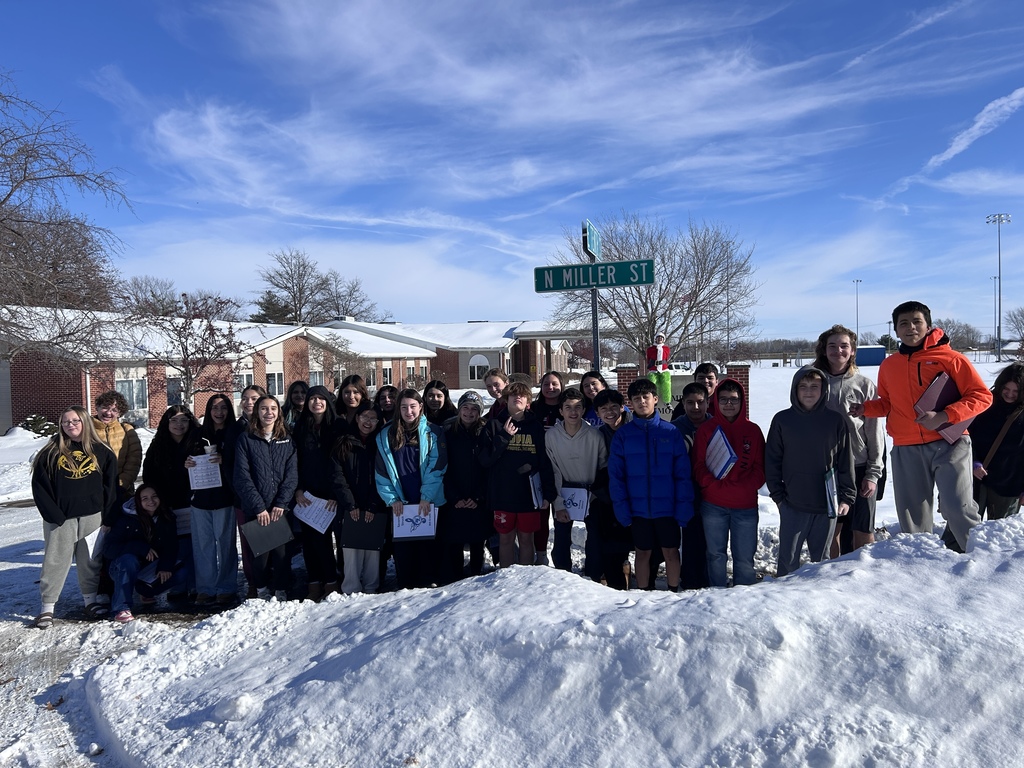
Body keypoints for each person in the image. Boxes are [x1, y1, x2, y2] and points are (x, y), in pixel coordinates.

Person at [850, 301, 993, 552]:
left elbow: (982, 396)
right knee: (912, 514)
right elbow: (887, 403)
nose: (911, 327)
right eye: (903, 323)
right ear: (895, 330)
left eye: (917, 321)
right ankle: (919, 569)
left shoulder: (951, 359)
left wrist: (945, 415)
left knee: (957, 507)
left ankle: (979, 559)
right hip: (907, 447)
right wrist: (866, 409)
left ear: (928, 326)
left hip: (951, 443)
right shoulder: (889, 365)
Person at [31, 406, 119, 628]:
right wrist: (54, 516)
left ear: (85, 422)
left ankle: (90, 601)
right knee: (55, 560)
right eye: (66, 422)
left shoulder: (102, 451)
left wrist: (107, 516)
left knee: (90, 560)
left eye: (75, 421)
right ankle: (47, 608)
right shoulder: (50, 452)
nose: (70, 425)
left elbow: (110, 487)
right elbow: (40, 487)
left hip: (92, 516)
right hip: (61, 518)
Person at [768, 366, 856, 577]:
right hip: (793, 504)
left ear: (823, 390)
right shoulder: (783, 420)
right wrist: (779, 497)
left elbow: (845, 462)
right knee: (788, 561)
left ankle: (817, 603)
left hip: (826, 504)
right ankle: (781, 601)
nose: (808, 392)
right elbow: (772, 461)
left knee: (822, 562)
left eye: (814, 387)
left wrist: (846, 497)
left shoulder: (835, 421)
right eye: (803, 387)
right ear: (795, 390)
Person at [609, 378, 694, 591]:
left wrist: (684, 506)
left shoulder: (670, 432)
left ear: (655, 399)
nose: (641, 402)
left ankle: (673, 590)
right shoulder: (623, 436)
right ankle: (643, 593)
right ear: (630, 403)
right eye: (636, 399)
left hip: (667, 508)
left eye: (646, 397)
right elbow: (616, 477)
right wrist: (622, 509)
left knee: (671, 551)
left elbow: (682, 474)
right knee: (642, 552)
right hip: (639, 510)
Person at [813, 325, 884, 556]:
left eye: (844, 346)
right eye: (832, 346)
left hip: (859, 466)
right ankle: (834, 576)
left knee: (862, 529)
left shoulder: (864, 385)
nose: (838, 351)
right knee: (832, 530)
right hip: (828, 468)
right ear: (824, 350)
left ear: (853, 350)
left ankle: (864, 577)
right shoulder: (813, 382)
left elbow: (875, 431)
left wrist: (873, 473)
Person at [693, 379, 765, 587]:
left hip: (745, 506)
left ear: (742, 401)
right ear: (716, 401)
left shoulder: (753, 431)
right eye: (723, 399)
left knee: (744, 559)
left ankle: (744, 598)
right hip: (714, 505)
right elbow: (698, 466)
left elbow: (760, 470)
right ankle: (717, 595)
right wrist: (715, 486)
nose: (729, 404)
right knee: (715, 555)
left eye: (734, 400)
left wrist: (743, 487)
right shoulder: (707, 429)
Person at [374, 389, 447, 589]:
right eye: (404, 407)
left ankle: (427, 584)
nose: (409, 411)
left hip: (427, 501)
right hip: (401, 503)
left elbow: (438, 466)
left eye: (413, 406)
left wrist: (426, 497)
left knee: (427, 548)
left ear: (420, 407)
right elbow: (381, 472)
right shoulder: (385, 434)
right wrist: (392, 499)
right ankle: (405, 586)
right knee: (404, 551)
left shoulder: (433, 432)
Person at [479, 381, 555, 568]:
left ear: (528, 400)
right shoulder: (494, 425)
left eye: (522, 395)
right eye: (513, 395)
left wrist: (548, 492)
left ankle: (524, 579)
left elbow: (544, 461)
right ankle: (507, 576)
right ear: (506, 400)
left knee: (526, 538)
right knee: (506, 539)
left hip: (529, 495)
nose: (517, 397)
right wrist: (503, 437)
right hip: (503, 494)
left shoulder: (535, 427)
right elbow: (485, 460)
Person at [234, 395, 298, 600]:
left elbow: (292, 475)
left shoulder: (287, 438)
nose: (268, 412)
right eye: (264, 408)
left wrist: (281, 503)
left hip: (280, 508)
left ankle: (281, 589)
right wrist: (259, 508)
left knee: (281, 554)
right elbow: (242, 477)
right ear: (257, 411)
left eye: (273, 408)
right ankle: (261, 589)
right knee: (261, 555)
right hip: (257, 508)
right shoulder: (246, 439)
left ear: (278, 412)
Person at [545, 387, 608, 576]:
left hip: (591, 496)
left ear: (583, 410)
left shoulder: (595, 435)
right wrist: (558, 502)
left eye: (578, 407)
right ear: (561, 411)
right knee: (562, 539)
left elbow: (603, 466)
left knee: (595, 539)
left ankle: (593, 576)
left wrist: (595, 493)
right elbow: (552, 471)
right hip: (563, 495)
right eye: (568, 407)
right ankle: (563, 576)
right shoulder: (551, 437)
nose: (573, 412)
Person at [185, 394, 239, 608]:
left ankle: (226, 587)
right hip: (200, 498)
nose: (219, 412)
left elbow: (242, 461)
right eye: (214, 408)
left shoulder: (235, 432)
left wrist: (225, 460)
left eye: (223, 407)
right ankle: (205, 588)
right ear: (208, 411)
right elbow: (186, 456)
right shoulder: (198, 434)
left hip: (224, 497)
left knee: (225, 545)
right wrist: (187, 463)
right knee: (203, 546)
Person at [291, 385, 344, 601]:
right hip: (307, 494)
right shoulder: (301, 426)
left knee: (328, 542)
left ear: (328, 402)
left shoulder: (338, 425)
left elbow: (342, 460)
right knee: (310, 542)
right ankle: (314, 581)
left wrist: (335, 492)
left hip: (332, 494)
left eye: (321, 399)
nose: (317, 402)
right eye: (313, 399)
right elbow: (295, 461)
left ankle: (331, 580)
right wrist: (298, 489)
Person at [143, 405, 200, 602]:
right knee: (172, 546)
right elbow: (149, 478)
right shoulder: (157, 446)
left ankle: (194, 584)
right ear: (166, 423)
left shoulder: (197, 443)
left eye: (184, 420)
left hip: (192, 503)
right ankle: (177, 585)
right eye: (174, 420)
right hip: (166, 505)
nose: (179, 424)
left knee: (193, 546)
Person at [104, 484, 181, 623]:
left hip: (150, 568)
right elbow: (108, 549)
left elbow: (171, 545)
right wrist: (140, 548)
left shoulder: (166, 516)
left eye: (154, 496)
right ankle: (121, 608)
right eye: (145, 498)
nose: (150, 501)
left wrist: (165, 566)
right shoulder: (126, 518)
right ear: (138, 501)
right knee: (128, 560)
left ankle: (146, 591)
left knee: (184, 570)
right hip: (121, 567)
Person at [334, 403, 387, 594]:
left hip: (375, 505)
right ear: (357, 418)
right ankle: (351, 589)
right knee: (351, 551)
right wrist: (350, 504)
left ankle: (371, 589)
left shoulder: (382, 444)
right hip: (350, 507)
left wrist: (373, 505)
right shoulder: (343, 442)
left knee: (373, 551)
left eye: (373, 418)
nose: (368, 422)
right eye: (365, 416)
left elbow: (385, 475)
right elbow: (337, 476)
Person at [438, 391, 490, 583]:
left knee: (477, 542)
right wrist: (454, 497)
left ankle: (476, 577)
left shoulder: (485, 433)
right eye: (465, 408)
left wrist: (478, 497)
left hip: (477, 499)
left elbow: (489, 468)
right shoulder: (448, 432)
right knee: (454, 542)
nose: (469, 413)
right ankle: (455, 579)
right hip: (454, 499)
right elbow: (443, 467)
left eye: (474, 409)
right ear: (459, 409)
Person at [223, 384, 266, 598]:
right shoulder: (235, 429)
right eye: (245, 398)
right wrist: (243, 492)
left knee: (272, 540)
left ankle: (272, 579)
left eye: (254, 398)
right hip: (244, 497)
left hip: (271, 497)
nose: (249, 402)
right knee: (250, 542)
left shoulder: (272, 426)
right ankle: (253, 582)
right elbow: (230, 466)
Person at [969, 362, 1024, 520]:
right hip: (976, 481)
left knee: (999, 536)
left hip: (1009, 484)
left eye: (1016, 391)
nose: (1010, 394)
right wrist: (973, 462)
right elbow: (965, 438)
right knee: (963, 532)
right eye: (1006, 389)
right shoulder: (984, 405)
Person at [591, 389, 634, 589]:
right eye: (604, 409)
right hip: (609, 499)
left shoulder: (635, 428)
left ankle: (644, 588)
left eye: (614, 407)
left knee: (646, 548)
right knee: (611, 550)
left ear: (623, 407)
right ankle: (617, 588)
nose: (610, 412)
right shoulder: (599, 435)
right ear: (598, 413)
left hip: (637, 495)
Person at [672, 382, 712, 589]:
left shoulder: (716, 425)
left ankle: (711, 580)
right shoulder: (676, 428)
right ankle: (690, 581)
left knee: (712, 541)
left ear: (708, 402)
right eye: (690, 403)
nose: (695, 408)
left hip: (713, 491)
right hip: (688, 493)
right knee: (690, 540)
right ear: (683, 403)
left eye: (700, 402)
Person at [531, 370, 564, 564]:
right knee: (541, 513)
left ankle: (561, 557)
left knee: (561, 515)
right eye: (546, 384)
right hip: (539, 467)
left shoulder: (568, 406)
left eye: (554, 384)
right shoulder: (534, 409)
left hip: (563, 466)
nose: (550, 388)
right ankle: (541, 554)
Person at [91, 390, 142, 504]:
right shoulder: (86, 430)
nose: (108, 413)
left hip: (122, 491)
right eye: (105, 407)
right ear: (98, 407)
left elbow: (134, 460)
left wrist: (121, 484)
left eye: (114, 410)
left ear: (120, 413)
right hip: (92, 491)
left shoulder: (127, 430)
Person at [646, 332, 672, 404]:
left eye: (661, 338)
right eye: (658, 337)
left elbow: (667, 358)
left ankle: (667, 401)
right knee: (652, 384)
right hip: (653, 370)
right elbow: (648, 359)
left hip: (664, 369)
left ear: (663, 340)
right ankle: (653, 400)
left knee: (666, 383)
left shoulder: (666, 348)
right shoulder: (650, 349)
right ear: (655, 339)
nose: (660, 339)